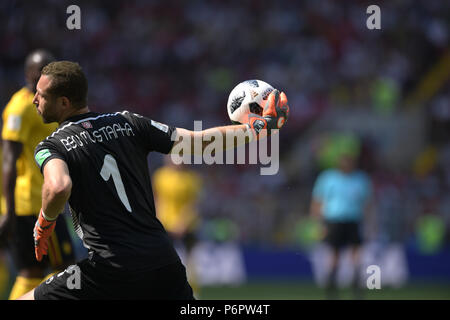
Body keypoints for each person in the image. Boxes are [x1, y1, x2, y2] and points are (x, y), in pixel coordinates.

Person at [18, 60, 289, 299]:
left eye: (40, 95)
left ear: (63, 102)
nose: (34, 100)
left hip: (109, 268)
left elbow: (58, 186)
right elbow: (198, 142)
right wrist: (257, 129)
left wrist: (44, 224)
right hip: (162, 260)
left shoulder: (52, 146)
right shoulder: (128, 122)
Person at [0, 50, 75, 300]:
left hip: (41, 200)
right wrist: (8, 212)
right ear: (28, 73)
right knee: (65, 270)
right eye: (42, 69)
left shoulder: (50, 103)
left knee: (32, 273)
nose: (47, 73)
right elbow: (9, 160)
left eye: (50, 68)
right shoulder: (20, 108)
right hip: (33, 204)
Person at [309, 136, 372, 300]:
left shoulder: (361, 179)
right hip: (334, 220)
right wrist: (318, 223)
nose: (347, 163)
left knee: (356, 253)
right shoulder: (328, 178)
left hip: (353, 219)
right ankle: (332, 288)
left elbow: (367, 204)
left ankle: (356, 285)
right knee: (334, 254)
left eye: (349, 160)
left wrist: (371, 223)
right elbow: (317, 202)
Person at [153, 158, 202, 296]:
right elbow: (157, 200)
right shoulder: (160, 176)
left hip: (188, 227)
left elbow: (194, 204)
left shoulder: (192, 178)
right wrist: (158, 220)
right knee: (163, 261)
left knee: (190, 262)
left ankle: (193, 294)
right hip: (166, 225)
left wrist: (183, 223)